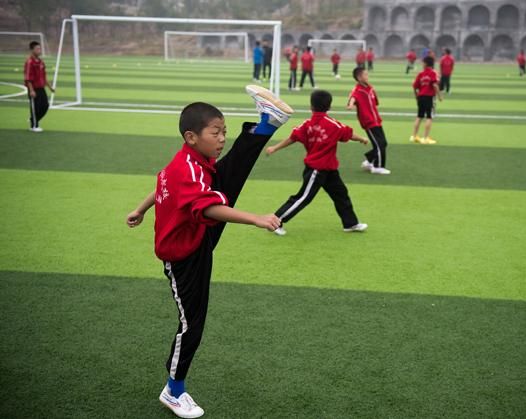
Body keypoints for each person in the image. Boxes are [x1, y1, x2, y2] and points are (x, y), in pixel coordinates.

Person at [126, 85, 294, 419]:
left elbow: (160, 182)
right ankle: (173, 391)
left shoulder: (193, 159)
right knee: (191, 325)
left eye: (224, 132)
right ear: (191, 136)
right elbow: (209, 209)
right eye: (216, 133)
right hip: (184, 256)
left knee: (227, 179)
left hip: (198, 235)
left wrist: (141, 208)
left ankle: (266, 124)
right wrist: (256, 219)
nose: (221, 139)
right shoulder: (186, 170)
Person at [265, 89, 369, 236]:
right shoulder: (334, 125)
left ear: (311, 106)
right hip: (316, 170)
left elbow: (293, 137)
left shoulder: (306, 124)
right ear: (329, 107)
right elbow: (349, 134)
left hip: (329, 169)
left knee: (341, 194)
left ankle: (350, 223)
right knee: (303, 197)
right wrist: (362, 139)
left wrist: (275, 147)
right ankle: (276, 222)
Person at [347, 67, 390, 175]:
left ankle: (369, 160)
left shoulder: (369, 88)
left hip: (376, 120)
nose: (367, 77)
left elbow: (375, 102)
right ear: (359, 77)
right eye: (365, 75)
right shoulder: (357, 90)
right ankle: (377, 167)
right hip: (369, 122)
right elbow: (353, 97)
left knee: (383, 143)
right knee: (379, 144)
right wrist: (351, 104)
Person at [410, 55, 442, 145]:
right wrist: (439, 96)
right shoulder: (433, 73)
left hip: (421, 97)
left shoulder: (421, 74)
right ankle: (425, 138)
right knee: (429, 117)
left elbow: (414, 86)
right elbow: (435, 85)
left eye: (423, 62)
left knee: (419, 116)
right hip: (429, 97)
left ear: (426, 64)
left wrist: (416, 96)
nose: (422, 64)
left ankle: (414, 136)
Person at [24, 40, 54, 133]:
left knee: (45, 106)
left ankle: (33, 118)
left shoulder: (41, 62)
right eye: (37, 49)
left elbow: (44, 76)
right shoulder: (30, 62)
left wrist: (50, 87)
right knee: (35, 107)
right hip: (34, 88)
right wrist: (31, 90)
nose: (39, 50)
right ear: (32, 50)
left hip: (41, 88)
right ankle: (34, 126)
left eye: (40, 48)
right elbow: (28, 78)